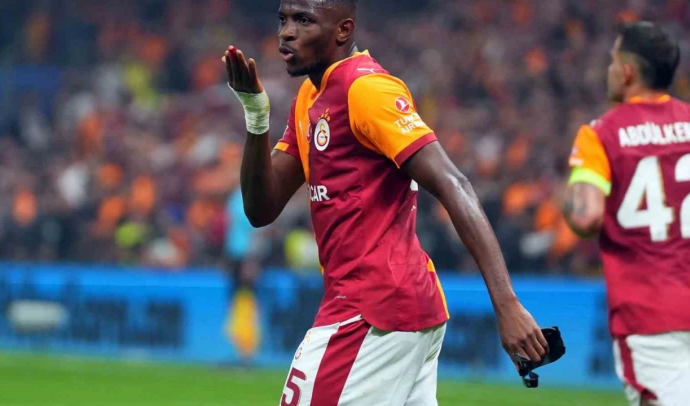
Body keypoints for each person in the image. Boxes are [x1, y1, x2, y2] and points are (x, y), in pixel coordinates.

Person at [223, 0, 547, 404]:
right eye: (284, 19)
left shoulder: (367, 89)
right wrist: (256, 114)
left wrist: (507, 304)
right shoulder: (309, 97)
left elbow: (454, 185)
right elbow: (261, 208)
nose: (287, 32)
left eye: (304, 20)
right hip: (391, 308)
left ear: (343, 30)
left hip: (372, 310)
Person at [563, 22, 690, 406]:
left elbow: (586, 218)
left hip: (651, 314)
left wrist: (568, 195)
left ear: (627, 72)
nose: (609, 69)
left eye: (612, 61)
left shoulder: (601, 134)